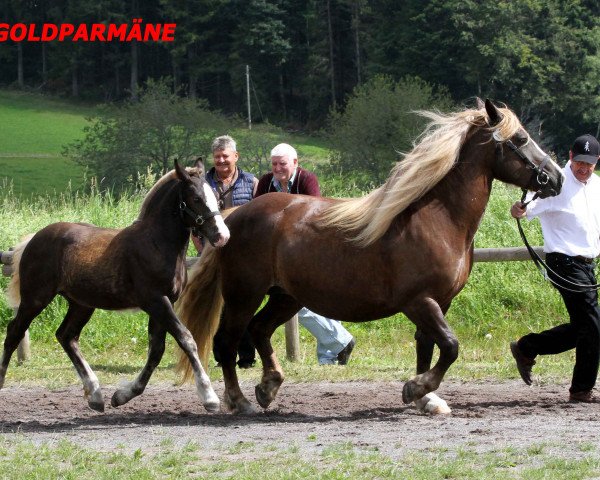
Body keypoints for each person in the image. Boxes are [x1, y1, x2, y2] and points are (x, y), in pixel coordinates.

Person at [509, 134, 600, 403]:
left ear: (596, 162)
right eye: (580, 162)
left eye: (590, 163)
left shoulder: (597, 186)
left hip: (588, 264)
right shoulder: (556, 182)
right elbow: (528, 208)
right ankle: (581, 390)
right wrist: (519, 210)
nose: (584, 168)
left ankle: (528, 346)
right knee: (593, 326)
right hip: (564, 263)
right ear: (570, 157)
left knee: (586, 326)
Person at [255, 142, 356, 365]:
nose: (277, 168)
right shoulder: (265, 182)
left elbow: (315, 214)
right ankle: (337, 347)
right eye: (274, 164)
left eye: (282, 163)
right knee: (298, 300)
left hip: (312, 248)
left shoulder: (306, 179)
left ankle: (331, 353)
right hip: (279, 253)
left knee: (314, 299)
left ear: (295, 163)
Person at [192, 135, 258, 369]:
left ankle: (247, 357)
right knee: (215, 307)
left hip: (243, 256)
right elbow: (195, 224)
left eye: (225, 156)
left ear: (235, 157)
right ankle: (222, 357)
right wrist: (204, 252)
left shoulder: (251, 183)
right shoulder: (203, 183)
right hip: (211, 254)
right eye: (217, 156)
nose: (221, 160)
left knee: (243, 304)